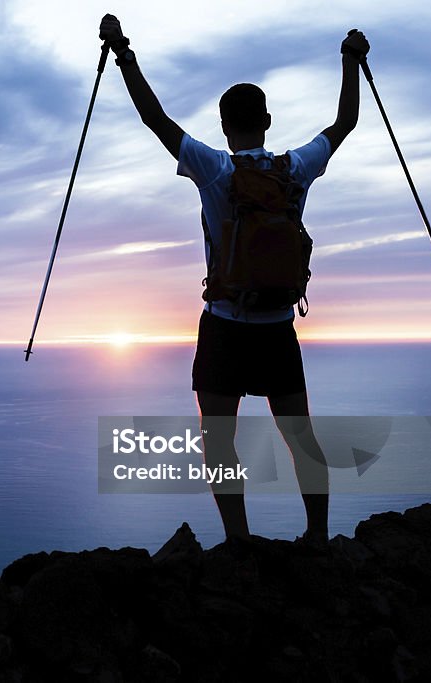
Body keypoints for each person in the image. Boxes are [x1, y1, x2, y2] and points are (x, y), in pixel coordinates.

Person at [98, 14, 370, 545]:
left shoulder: (214, 169)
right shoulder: (296, 169)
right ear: (267, 120)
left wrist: (122, 53)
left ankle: (239, 543)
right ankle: (317, 538)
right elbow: (345, 124)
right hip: (277, 328)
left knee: (218, 441)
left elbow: (155, 119)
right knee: (301, 437)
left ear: (225, 126)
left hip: (224, 325)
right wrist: (350, 60)